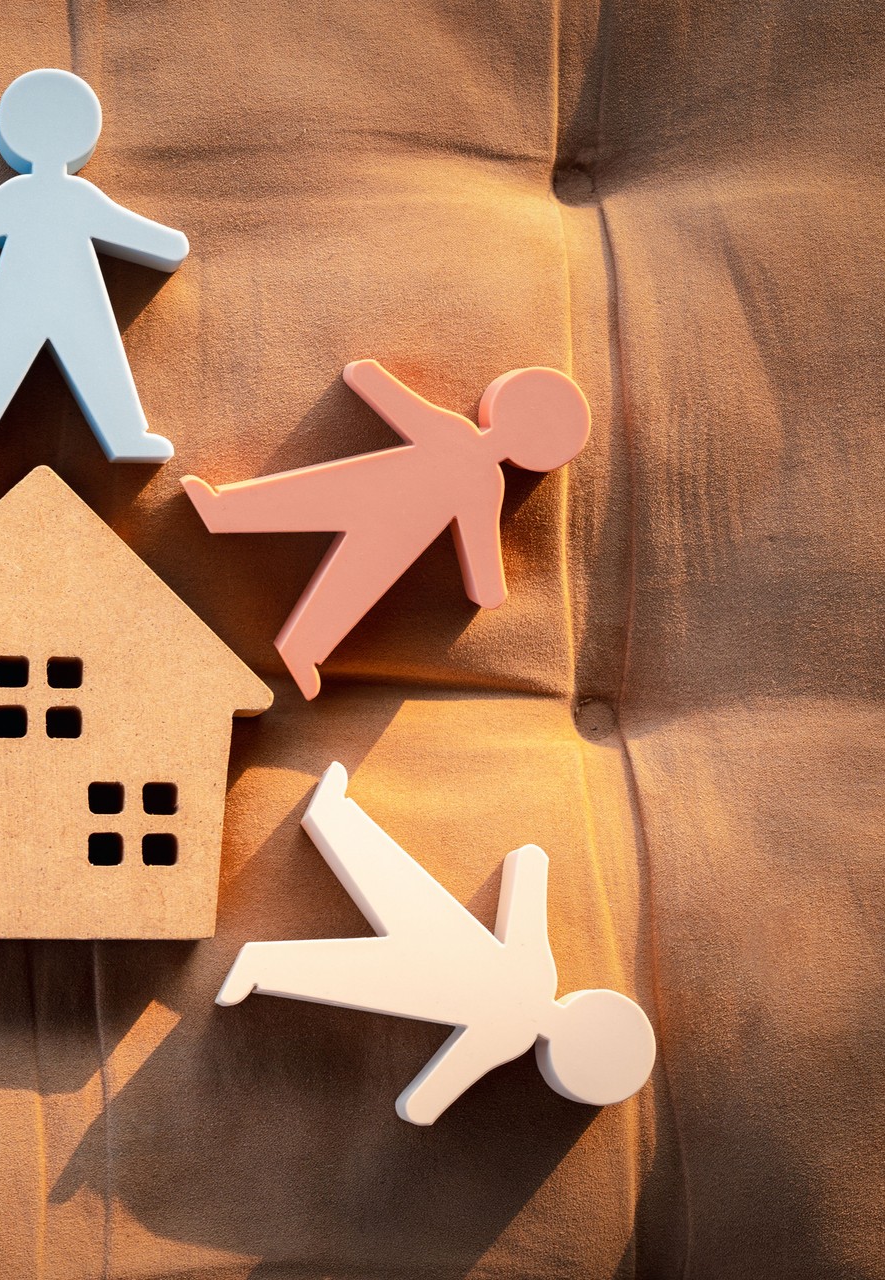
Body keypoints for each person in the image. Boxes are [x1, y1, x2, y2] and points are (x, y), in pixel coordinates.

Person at [216, 762, 655, 1125]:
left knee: (370, 913)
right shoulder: (518, 1025)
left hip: (428, 959)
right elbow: (442, 1083)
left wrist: (532, 867)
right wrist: (424, 1105)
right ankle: (327, 823)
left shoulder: (531, 995)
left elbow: (453, 1073)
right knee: (363, 927)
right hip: (431, 952)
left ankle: (326, 828)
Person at [183, 360, 590, 699]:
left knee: (306, 515)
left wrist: (367, 375)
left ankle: (223, 514)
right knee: (336, 560)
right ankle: (297, 641)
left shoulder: (465, 447)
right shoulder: (485, 478)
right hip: (388, 522)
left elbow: (393, 398)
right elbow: (481, 557)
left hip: (379, 507)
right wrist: (488, 589)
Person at [0, 68, 189, 462]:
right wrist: (169, 242)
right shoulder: (71, 195)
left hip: (25, 297)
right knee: (88, 359)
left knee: (2, 358)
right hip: (72, 298)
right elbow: (127, 229)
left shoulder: (23, 194)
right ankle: (124, 438)